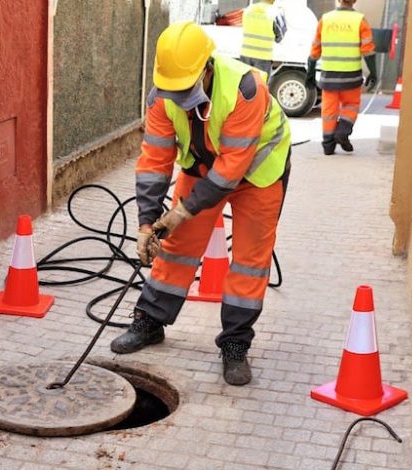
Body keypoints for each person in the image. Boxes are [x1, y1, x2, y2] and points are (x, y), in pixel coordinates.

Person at [110, 21, 292, 386]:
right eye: (172, 89)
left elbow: (231, 170)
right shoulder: (162, 96)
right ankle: (150, 321)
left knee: (250, 260)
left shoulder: (245, 88)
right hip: (204, 166)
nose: (178, 96)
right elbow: (154, 162)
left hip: (259, 174)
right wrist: (146, 224)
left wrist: (180, 210)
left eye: (185, 88)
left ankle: (235, 344)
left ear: (206, 68)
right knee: (176, 247)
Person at [304, 0, 376, 155]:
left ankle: (328, 145)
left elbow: (315, 49)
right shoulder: (359, 20)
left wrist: (310, 73)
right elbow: (368, 50)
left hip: (329, 78)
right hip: (351, 77)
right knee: (351, 105)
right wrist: (373, 72)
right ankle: (342, 132)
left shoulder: (326, 19)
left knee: (329, 111)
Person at [239, 0, 287, 78]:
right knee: (260, 86)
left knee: (244, 85)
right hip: (263, 57)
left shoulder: (248, 10)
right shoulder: (274, 13)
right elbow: (280, 36)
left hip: (245, 54)